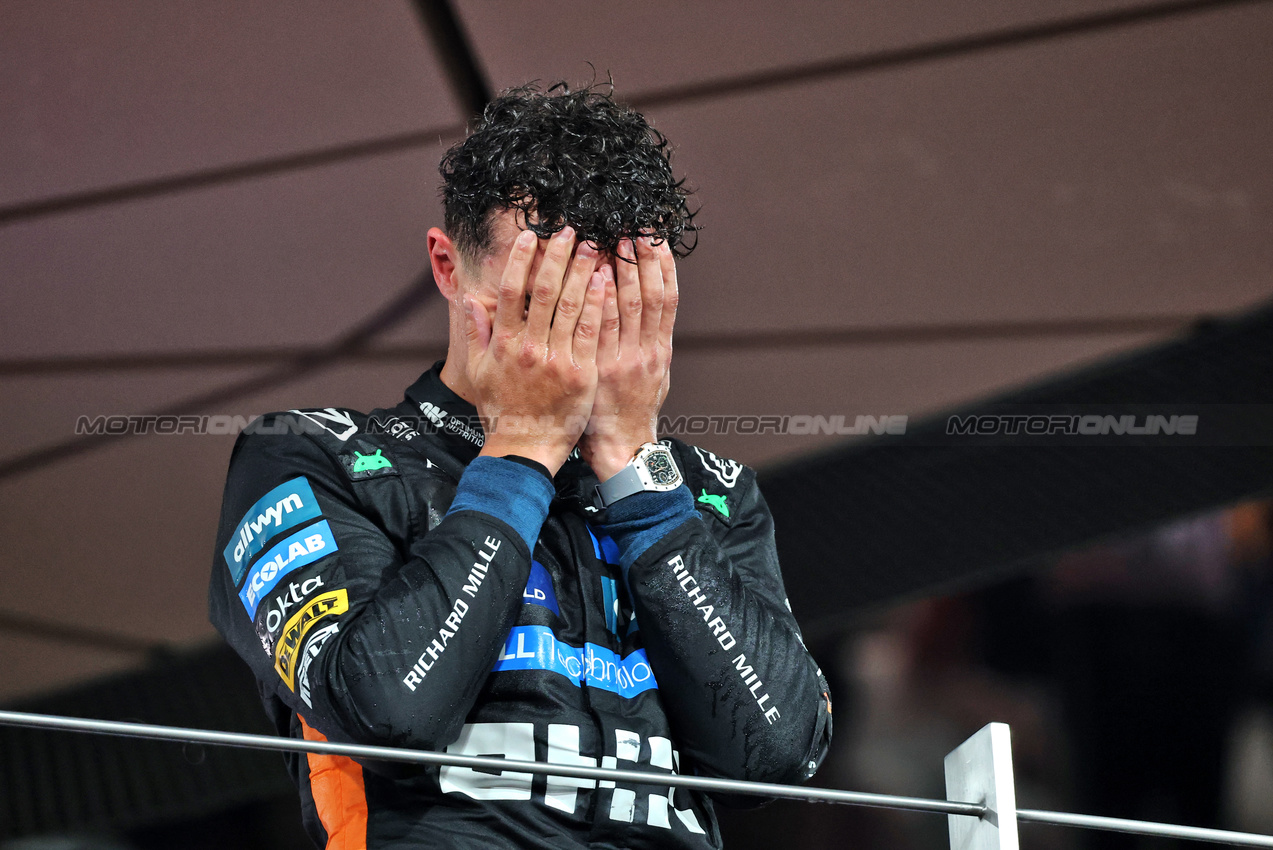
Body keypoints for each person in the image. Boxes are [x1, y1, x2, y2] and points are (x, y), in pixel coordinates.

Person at [209, 83, 832, 850]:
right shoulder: (310, 454)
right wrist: (525, 446)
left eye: (618, 280)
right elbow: (387, 715)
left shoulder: (710, 493)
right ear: (448, 267)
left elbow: (773, 753)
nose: (584, 315)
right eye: (550, 283)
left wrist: (637, 472)